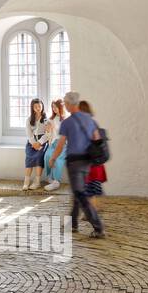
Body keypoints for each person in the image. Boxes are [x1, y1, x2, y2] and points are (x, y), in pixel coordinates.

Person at [48, 91, 103, 237]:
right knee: (77, 191)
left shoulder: (67, 122)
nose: (64, 106)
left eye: (65, 104)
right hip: (87, 162)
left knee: (80, 193)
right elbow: (97, 138)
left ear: (69, 104)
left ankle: (98, 227)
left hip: (74, 163)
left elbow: (60, 144)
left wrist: (53, 158)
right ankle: (72, 224)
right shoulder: (89, 119)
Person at [78, 100, 106, 208]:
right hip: (95, 161)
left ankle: (92, 211)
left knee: (89, 188)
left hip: (89, 162)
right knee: (91, 188)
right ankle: (94, 208)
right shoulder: (92, 122)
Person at [22, 98, 49, 190]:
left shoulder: (46, 119)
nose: (38, 108)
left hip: (42, 142)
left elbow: (48, 134)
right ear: (32, 108)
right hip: (31, 142)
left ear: (42, 107)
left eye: (39, 106)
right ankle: (26, 182)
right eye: (35, 106)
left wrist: (40, 142)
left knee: (39, 157)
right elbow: (29, 133)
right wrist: (34, 143)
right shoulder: (29, 119)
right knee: (29, 158)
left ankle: (37, 182)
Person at [42, 99, 66, 191]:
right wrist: (48, 130)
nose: (54, 109)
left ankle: (56, 181)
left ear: (61, 107)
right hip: (54, 142)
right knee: (47, 156)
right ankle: (50, 177)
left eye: (56, 107)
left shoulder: (66, 119)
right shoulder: (51, 119)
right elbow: (48, 136)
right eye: (53, 107)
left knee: (58, 159)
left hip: (64, 144)